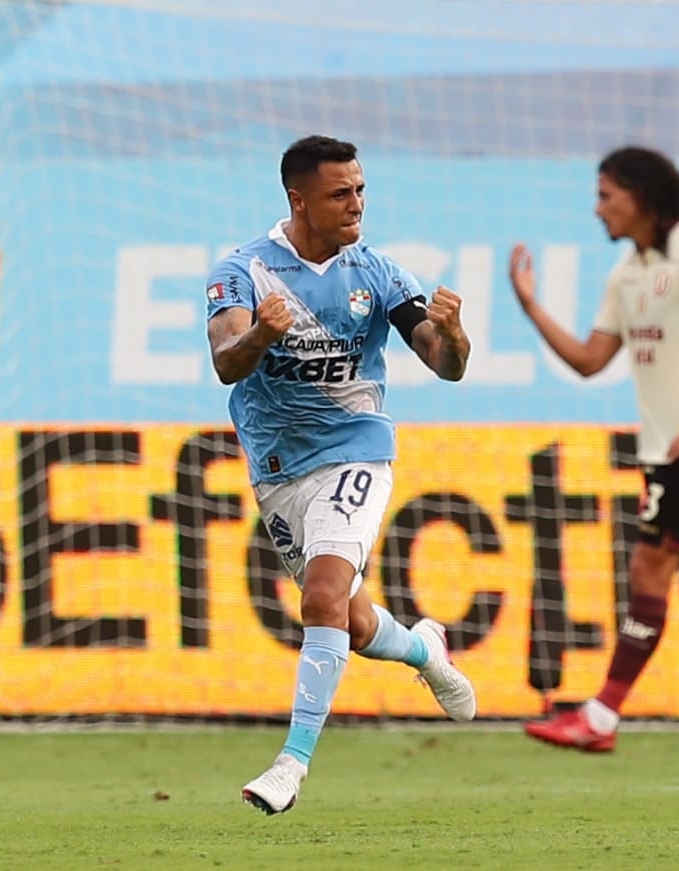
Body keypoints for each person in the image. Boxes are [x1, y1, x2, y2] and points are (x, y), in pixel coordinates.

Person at [206, 135, 477, 815]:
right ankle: (422, 646)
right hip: (277, 465)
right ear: (298, 199)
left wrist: (457, 338)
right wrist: (261, 335)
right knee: (349, 619)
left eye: (359, 189)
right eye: (339, 193)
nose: (355, 203)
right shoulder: (242, 272)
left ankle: (289, 764)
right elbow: (226, 361)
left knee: (322, 597)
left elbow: (442, 362)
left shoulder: (378, 273)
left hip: (355, 448)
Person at [509, 146, 679, 755]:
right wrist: (530, 305)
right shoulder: (627, 274)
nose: (597, 207)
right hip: (663, 455)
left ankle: (601, 716)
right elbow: (588, 361)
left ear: (642, 197)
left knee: (648, 568)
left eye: (607, 195)